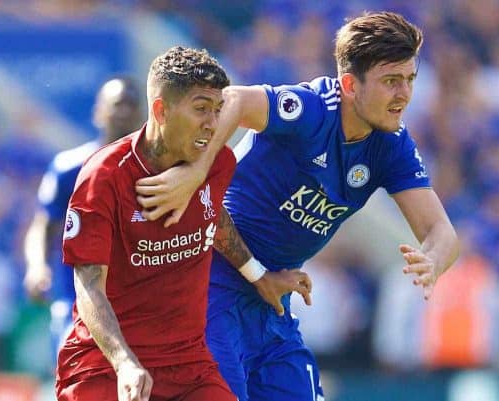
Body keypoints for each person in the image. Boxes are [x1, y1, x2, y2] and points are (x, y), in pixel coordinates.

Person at [135, 12, 460, 401]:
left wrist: (433, 261)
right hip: (212, 282)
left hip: (273, 301)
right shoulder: (311, 109)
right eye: (391, 82)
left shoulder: (393, 147)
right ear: (350, 86)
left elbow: (441, 233)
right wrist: (195, 172)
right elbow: (235, 99)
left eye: (409, 80)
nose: (404, 95)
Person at [55, 46, 311, 401]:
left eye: (218, 110)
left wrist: (258, 275)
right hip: (105, 363)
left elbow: (213, 216)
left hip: (187, 366)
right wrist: (124, 362)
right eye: (201, 108)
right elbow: (88, 285)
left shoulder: (217, 163)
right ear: (161, 110)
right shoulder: (104, 176)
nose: (213, 122)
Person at [23, 76, 144, 356]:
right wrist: (37, 266)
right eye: (117, 104)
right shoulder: (69, 168)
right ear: (98, 112)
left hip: (138, 302)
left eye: (131, 104)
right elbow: (43, 224)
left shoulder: (159, 171)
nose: (124, 111)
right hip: (77, 300)